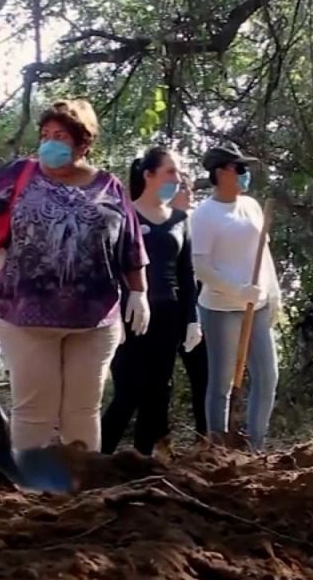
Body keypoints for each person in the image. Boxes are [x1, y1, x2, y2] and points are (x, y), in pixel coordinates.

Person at [0, 99, 148, 454]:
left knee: (82, 410)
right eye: (45, 135)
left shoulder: (109, 187)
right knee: (34, 409)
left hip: (95, 320)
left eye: (60, 136)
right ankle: (29, 493)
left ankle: (77, 493)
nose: (49, 143)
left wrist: (139, 293)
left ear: (83, 143)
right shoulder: (21, 174)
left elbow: (130, 244)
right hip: (26, 314)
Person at [101, 147, 202, 456]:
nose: (177, 178)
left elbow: (186, 275)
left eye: (179, 172)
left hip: (168, 314)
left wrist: (192, 319)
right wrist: (113, 313)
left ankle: (144, 461)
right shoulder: (123, 214)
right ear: (148, 175)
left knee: (159, 391)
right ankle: (96, 460)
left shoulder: (181, 219)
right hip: (131, 314)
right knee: (128, 390)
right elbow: (111, 267)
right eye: (170, 171)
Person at [190, 143, 282, 451]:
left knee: (267, 377)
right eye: (239, 169)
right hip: (220, 309)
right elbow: (200, 265)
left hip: (257, 306)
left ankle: (256, 447)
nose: (245, 175)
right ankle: (218, 449)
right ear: (221, 173)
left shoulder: (252, 206)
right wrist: (237, 290)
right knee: (221, 384)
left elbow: (263, 252)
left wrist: (274, 293)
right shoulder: (204, 214)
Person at [171, 172, 209, 435]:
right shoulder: (152, 223)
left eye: (191, 188)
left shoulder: (198, 223)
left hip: (194, 307)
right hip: (162, 308)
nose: (190, 193)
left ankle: (204, 437)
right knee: (159, 381)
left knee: (202, 377)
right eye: (184, 187)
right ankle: (158, 441)